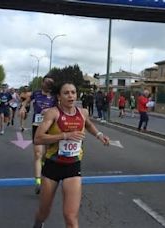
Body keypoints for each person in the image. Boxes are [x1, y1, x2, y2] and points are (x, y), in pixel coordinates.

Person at [32, 82, 109, 228]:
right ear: (59, 96)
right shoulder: (53, 113)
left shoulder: (83, 112)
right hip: (52, 167)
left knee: (70, 216)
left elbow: (88, 124)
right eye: (66, 93)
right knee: (44, 212)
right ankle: (37, 224)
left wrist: (99, 135)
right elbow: (38, 138)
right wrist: (65, 135)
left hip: (73, 167)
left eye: (73, 92)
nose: (71, 96)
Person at [20, 75, 56, 194]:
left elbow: (59, 108)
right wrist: (23, 108)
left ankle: (45, 172)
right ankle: (38, 182)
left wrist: (50, 111)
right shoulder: (36, 93)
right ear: (42, 83)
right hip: (37, 126)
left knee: (47, 155)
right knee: (38, 153)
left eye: (50, 84)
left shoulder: (54, 96)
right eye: (46, 83)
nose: (48, 86)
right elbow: (26, 101)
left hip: (50, 127)